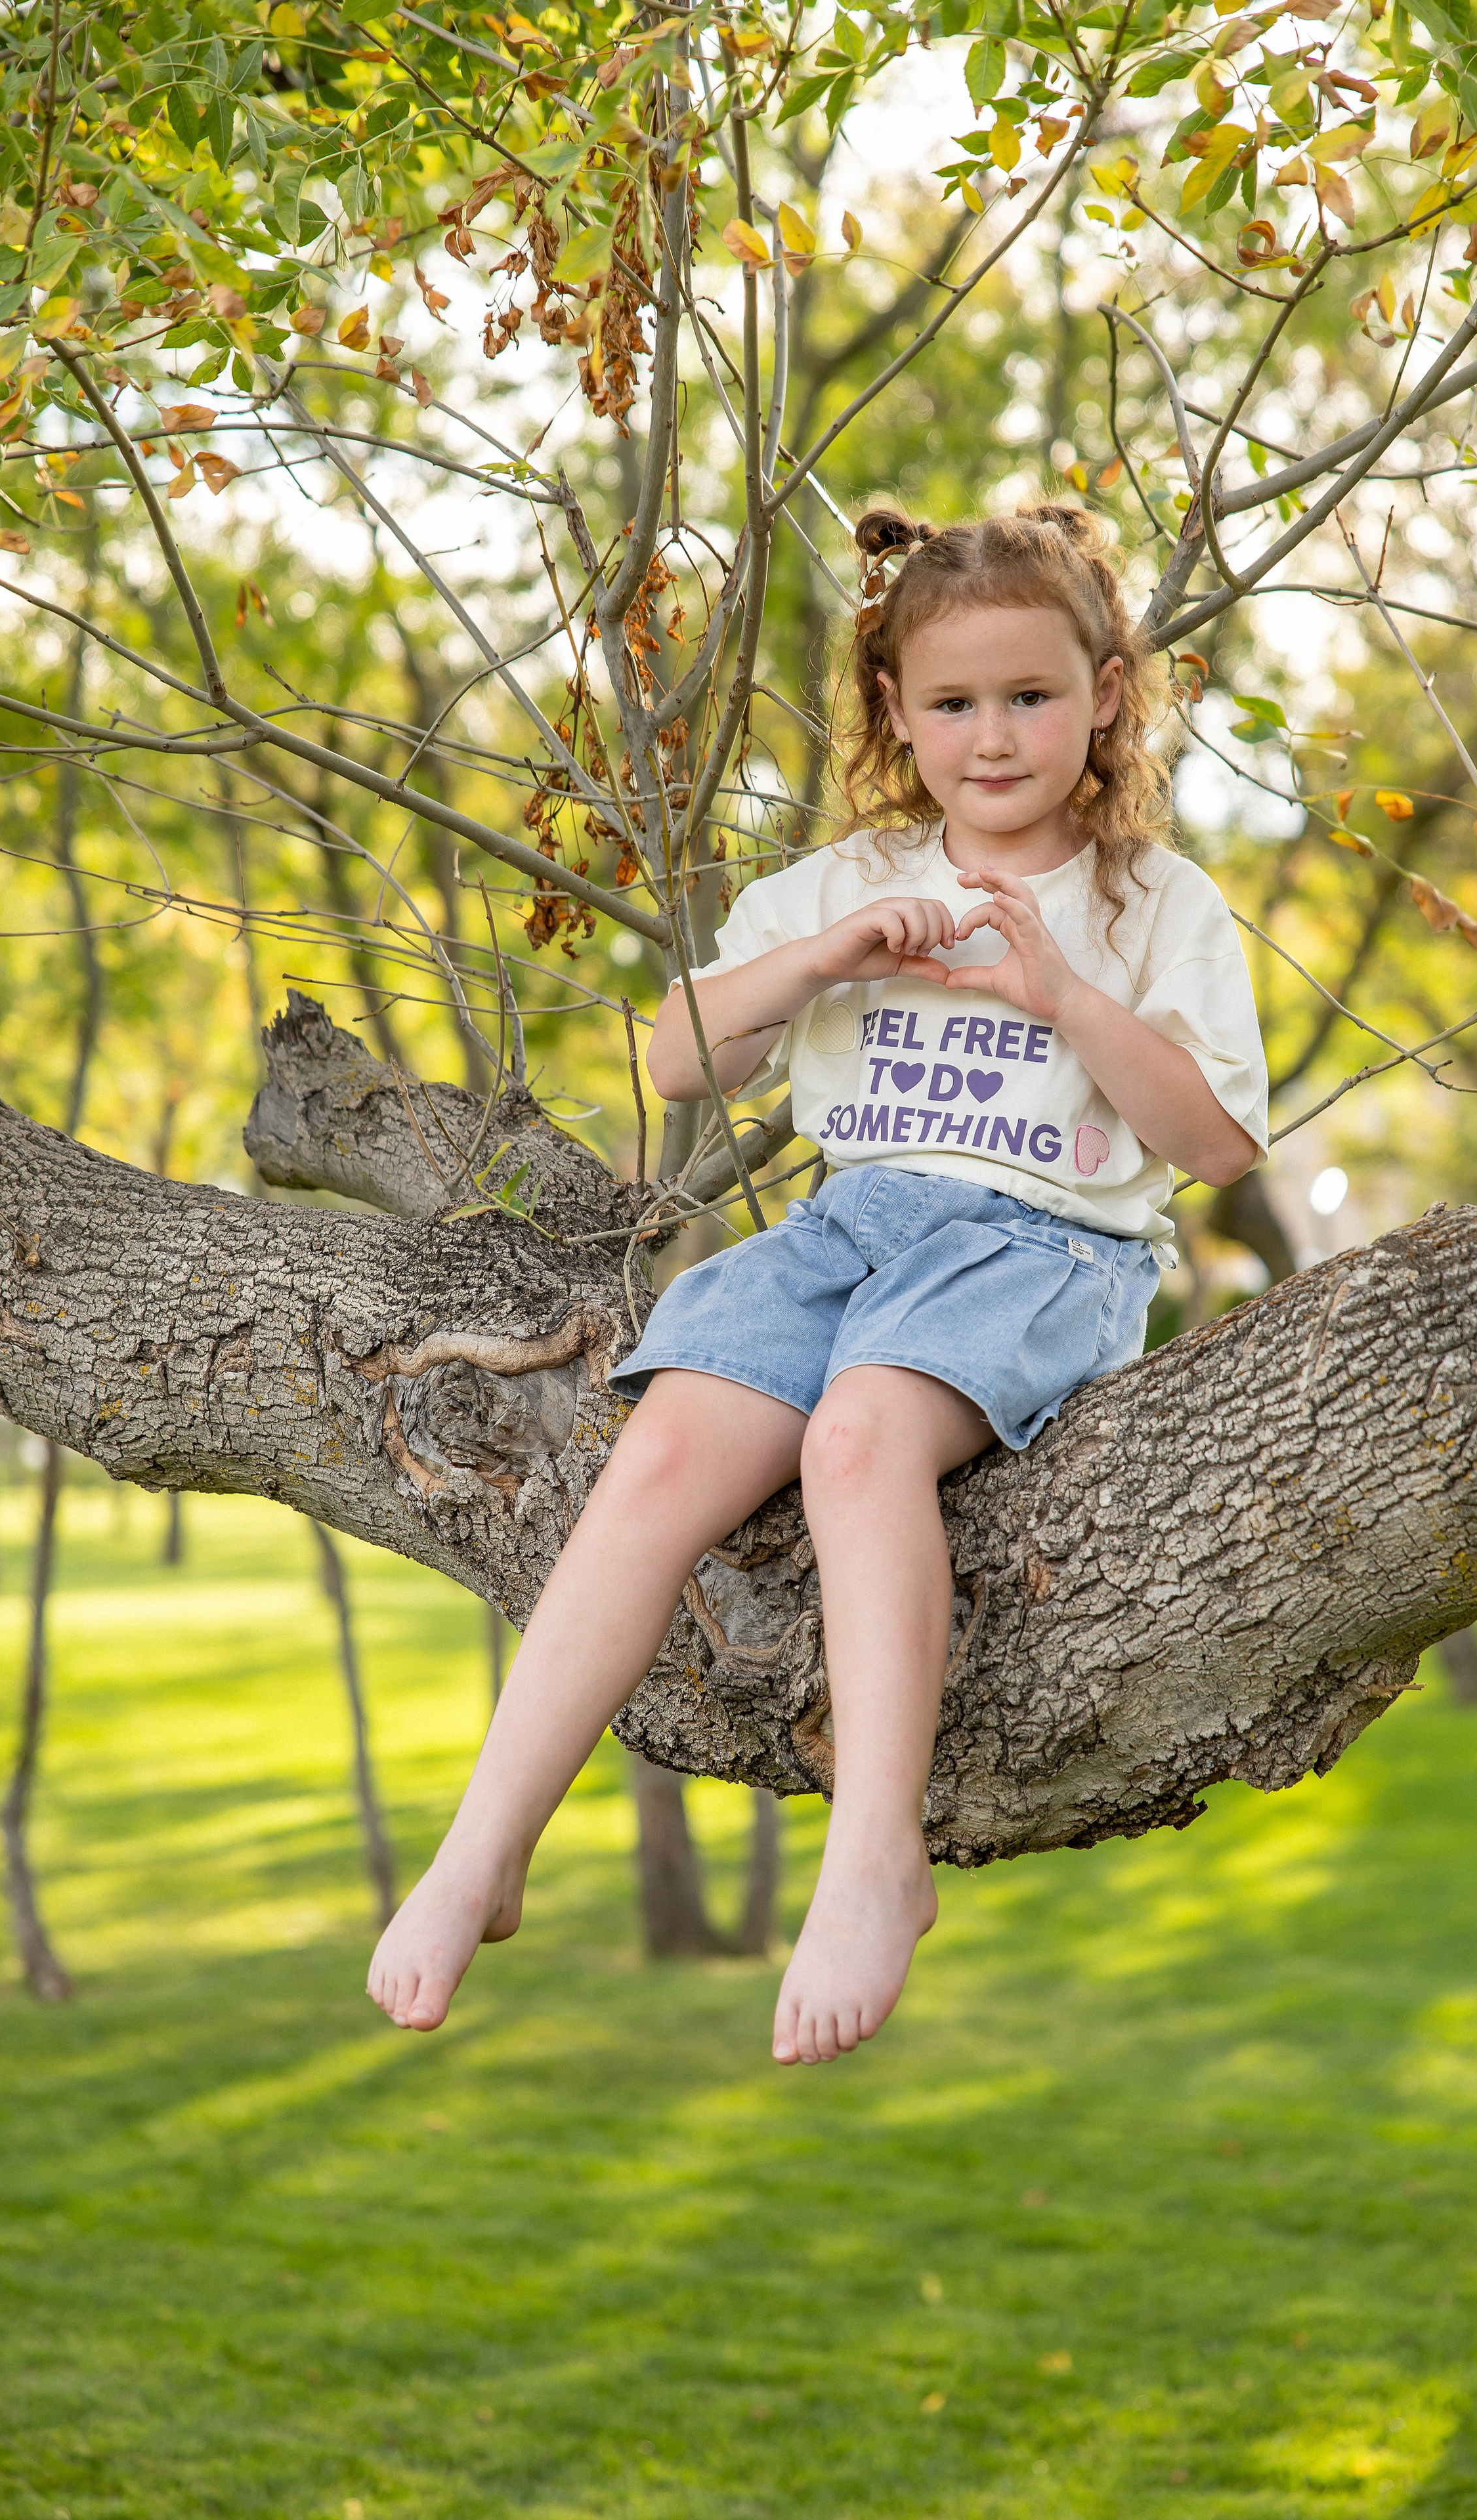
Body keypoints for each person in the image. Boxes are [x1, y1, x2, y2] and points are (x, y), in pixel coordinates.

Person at [367, 501, 1268, 2065]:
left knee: (856, 1444)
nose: (992, 739)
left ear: (1106, 695)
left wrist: (1058, 994)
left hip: (1040, 1244)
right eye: (952, 704)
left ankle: (874, 1856)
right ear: (896, 713)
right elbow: (677, 1060)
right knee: (652, 1464)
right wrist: (823, 958)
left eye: (1031, 698)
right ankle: (483, 1848)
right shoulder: (846, 883)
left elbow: (1215, 1146)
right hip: (844, 1231)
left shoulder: (1153, 904)